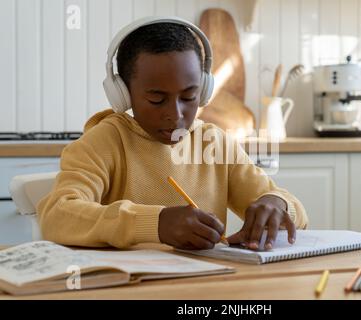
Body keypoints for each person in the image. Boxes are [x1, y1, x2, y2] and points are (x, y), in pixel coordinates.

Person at [37, 17, 308, 251]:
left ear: (203, 91)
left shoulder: (214, 143)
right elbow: (57, 216)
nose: (176, 115)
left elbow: (299, 216)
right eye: (156, 99)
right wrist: (156, 224)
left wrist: (277, 204)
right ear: (123, 93)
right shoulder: (102, 143)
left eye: (189, 97)